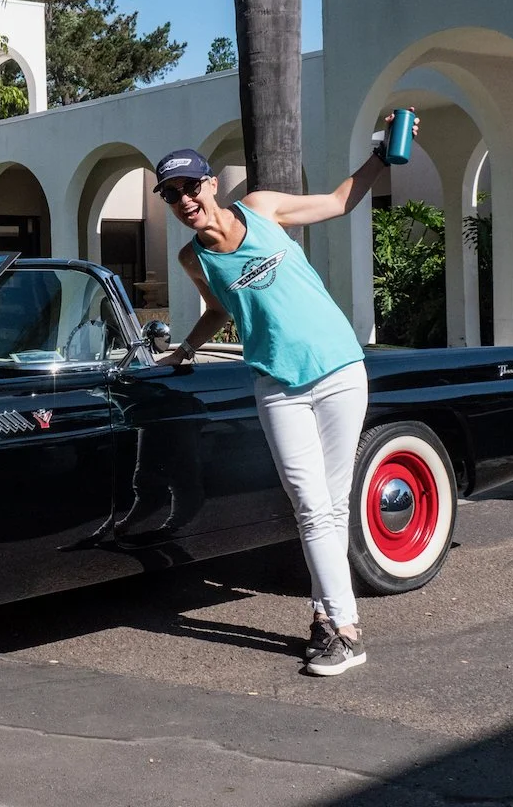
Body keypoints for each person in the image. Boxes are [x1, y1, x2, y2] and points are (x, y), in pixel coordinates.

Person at [154, 111, 419, 677]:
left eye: (189, 187)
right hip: (278, 384)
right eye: (170, 194)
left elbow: (341, 201)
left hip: (340, 368)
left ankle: (333, 622)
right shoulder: (192, 258)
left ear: (211, 184)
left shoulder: (265, 207)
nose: (183, 200)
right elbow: (221, 310)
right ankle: (344, 629)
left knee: (330, 503)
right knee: (310, 504)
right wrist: (185, 349)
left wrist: (380, 154)